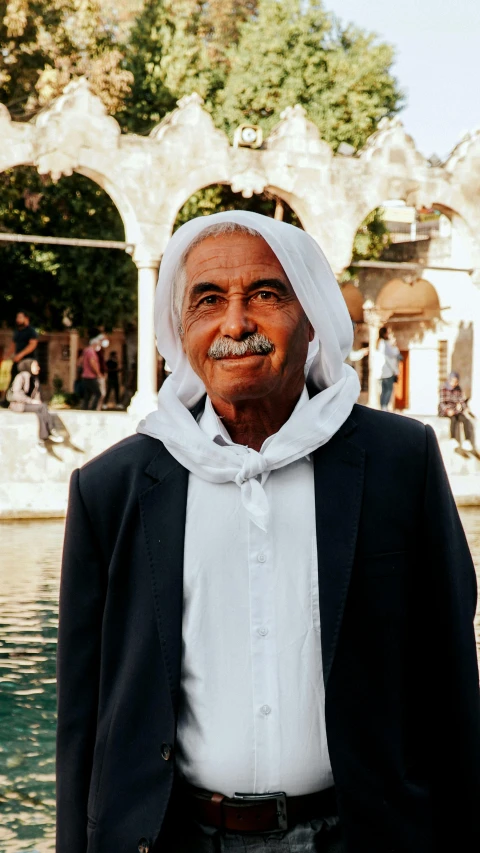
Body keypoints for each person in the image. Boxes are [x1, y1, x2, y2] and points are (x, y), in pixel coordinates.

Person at [57, 212, 480, 853]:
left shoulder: (401, 461)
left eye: (264, 294)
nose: (235, 325)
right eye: (207, 301)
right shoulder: (111, 488)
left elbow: (451, 679)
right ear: (180, 330)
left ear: (309, 320)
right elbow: (83, 719)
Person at [7, 358, 64, 452]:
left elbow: (37, 397)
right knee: (42, 407)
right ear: (29, 366)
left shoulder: (35, 379)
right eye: (35, 366)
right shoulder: (21, 376)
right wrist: (31, 401)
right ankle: (51, 430)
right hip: (18, 405)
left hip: (29, 405)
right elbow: (16, 394)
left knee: (41, 410)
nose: (38, 368)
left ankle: (42, 440)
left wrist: (38, 402)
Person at [438, 371, 479, 458]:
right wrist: (447, 410)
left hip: (456, 410)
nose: (454, 383)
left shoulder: (458, 389)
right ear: (449, 380)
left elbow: (461, 401)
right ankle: (453, 438)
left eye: (456, 382)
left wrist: (465, 409)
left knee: (464, 419)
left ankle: (467, 441)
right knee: (453, 419)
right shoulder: (444, 388)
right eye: (453, 381)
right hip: (446, 410)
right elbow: (442, 403)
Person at [5, 310, 39, 384]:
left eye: (20, 317)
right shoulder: (17, 331)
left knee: (28, 381)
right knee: (13, 378)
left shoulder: (31, 331)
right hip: (17, 360)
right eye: (17, 317)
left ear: (26, 318)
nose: (17, 319)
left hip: (28, 360)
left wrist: (21, 355)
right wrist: (7, 356)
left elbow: (32, 345)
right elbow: (13, 345)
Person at [375, 325, 400, 411]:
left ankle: (382, 406)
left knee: (384, 390)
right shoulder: (384, 344)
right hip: (387, 371)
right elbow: (392, 354)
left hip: (381, 372)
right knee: (389, 389)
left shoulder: (378, 343)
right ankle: (384, 407)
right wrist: (395, 347)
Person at [81, 335, 103, 410]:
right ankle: (93, 409)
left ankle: (85, 408)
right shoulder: (91, 352)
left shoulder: (86, 351)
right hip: (90, 376)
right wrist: (98, 373)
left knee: (88, 394)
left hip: (85, 376)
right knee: (98, 393)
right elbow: (92, 363)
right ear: (94, 344)